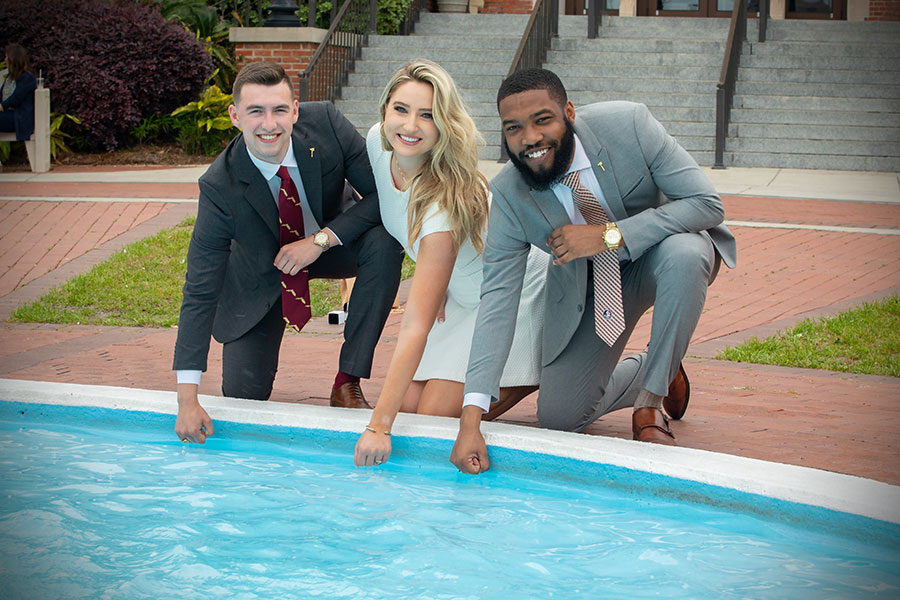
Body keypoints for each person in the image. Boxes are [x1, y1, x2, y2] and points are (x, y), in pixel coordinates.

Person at [451, 68, 737, 474]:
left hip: (659, 257)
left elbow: (706, 204)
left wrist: (608, 235)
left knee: (687, 252)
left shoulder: (629, 125)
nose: (529, 138)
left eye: (542, 120)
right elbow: (497, 303)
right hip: (587, 291)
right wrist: (470, 420)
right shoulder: (509, 195)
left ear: (568, 111)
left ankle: (650, 403)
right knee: (560, 417)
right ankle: (660, 367)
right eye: (513, 128)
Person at [174, 61, 404, 444]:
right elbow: (199, 289)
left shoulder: (326, 125)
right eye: (256, 112)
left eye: (280, 110)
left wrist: (319, 241)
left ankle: (347, 382)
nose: (270, 124)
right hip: (262, 274)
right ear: (235, 116)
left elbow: (385, 196)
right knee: (246, 398)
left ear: (295, 110)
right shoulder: (219, 186)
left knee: (385, 241)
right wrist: (186, 398)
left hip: (329, 244)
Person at [353, 60, 548, 468]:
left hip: (514, 294)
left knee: (433, 418)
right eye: (401, 109)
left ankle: (543, 366)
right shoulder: (377, 142)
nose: (410, 125)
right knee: (409, 408)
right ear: (385, 109)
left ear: (444, 124)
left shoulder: (442, 205)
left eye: (428, 115)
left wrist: (377, 426)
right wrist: (436, 280)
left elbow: (414, 326)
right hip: (462, 294)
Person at [0, 43, 38, 168]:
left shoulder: (27, 78)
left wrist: (1, 106)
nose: (4, 59)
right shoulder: (9, 78)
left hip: (19, 118)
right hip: (7, 116)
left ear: (13, 58)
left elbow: (15, 99)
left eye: (6, 57)